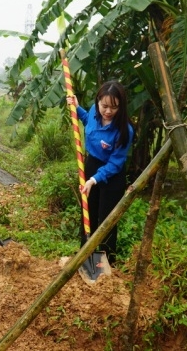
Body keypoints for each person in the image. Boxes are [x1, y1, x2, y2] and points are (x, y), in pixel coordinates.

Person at [66, 80, 134, 266]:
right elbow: (88, 122)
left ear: (121, 107)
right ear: (98, 102)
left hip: (111, 175)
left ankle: (105, 263)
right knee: (88, 213)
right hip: (91, 166)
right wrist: (78, 109)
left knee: (107, 220)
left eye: (114, 107)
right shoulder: (95, 114)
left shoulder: (124, 131)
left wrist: (95, 180)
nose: (108, 111)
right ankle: (85, 257)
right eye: (104, 105)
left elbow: (115, 163)